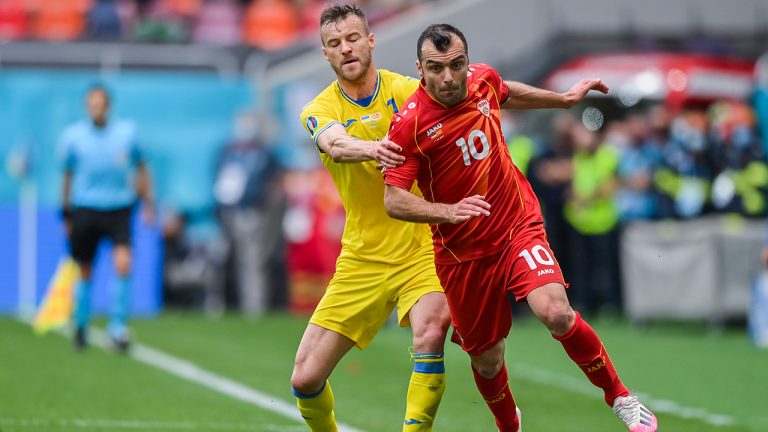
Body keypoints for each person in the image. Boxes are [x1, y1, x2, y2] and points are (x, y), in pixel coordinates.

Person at [382, 24, 658, 432]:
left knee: (555, 311)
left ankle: (621, 397)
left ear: (467, 62)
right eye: (436, 68)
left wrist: (562, 100)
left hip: (515, 225)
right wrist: (447, 211)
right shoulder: (410, 125)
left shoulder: (481, 80)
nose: (449, 78)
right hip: (462, 253)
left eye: (457, 65)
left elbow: (505, 90)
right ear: (420, 70)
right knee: (487, 360)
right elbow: (393, 199)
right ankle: (509, 424)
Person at [291, 5, 451, 431]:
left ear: (370, 41)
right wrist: (375, 148)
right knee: (305, 378)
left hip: (422, 247)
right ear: (326, 54)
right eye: (335, 43)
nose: (346, 49)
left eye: (352, 39)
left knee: (431, 332)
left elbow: (473, 97)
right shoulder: (319, 108)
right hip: (363, 257)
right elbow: (335, 143)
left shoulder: (409, 91)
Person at [59, 85, 154, 352]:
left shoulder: (127, 133)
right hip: (86, 207)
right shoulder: (73, 137)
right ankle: (81, 323)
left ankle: (118, 327)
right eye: (92, 105)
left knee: (123, 263)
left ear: (108, 107)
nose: (96, 110)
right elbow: (67, 174)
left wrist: (148, 203)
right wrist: (66, 213)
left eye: (100, 105)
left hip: (119, 206)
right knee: (85, 269)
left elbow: (142, 167)